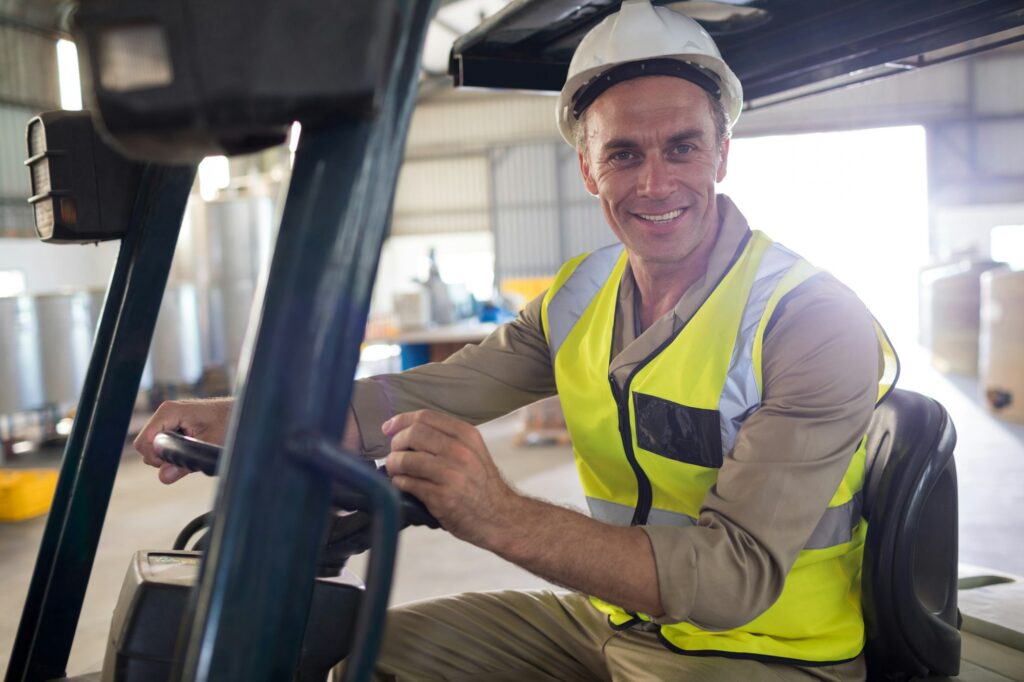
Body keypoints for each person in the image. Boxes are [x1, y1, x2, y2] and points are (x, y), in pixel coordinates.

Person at [135, 1, 897, 679]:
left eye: (683, 147)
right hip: (610, 622)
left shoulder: (811, 321)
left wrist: (496, 510)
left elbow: (735, 579)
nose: (655, 182)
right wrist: (239, 415)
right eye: (624, 153)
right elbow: (409, 395)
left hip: (764, 655)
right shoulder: (580, 298)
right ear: (588, 169)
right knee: (365, 657)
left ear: (723, 153)